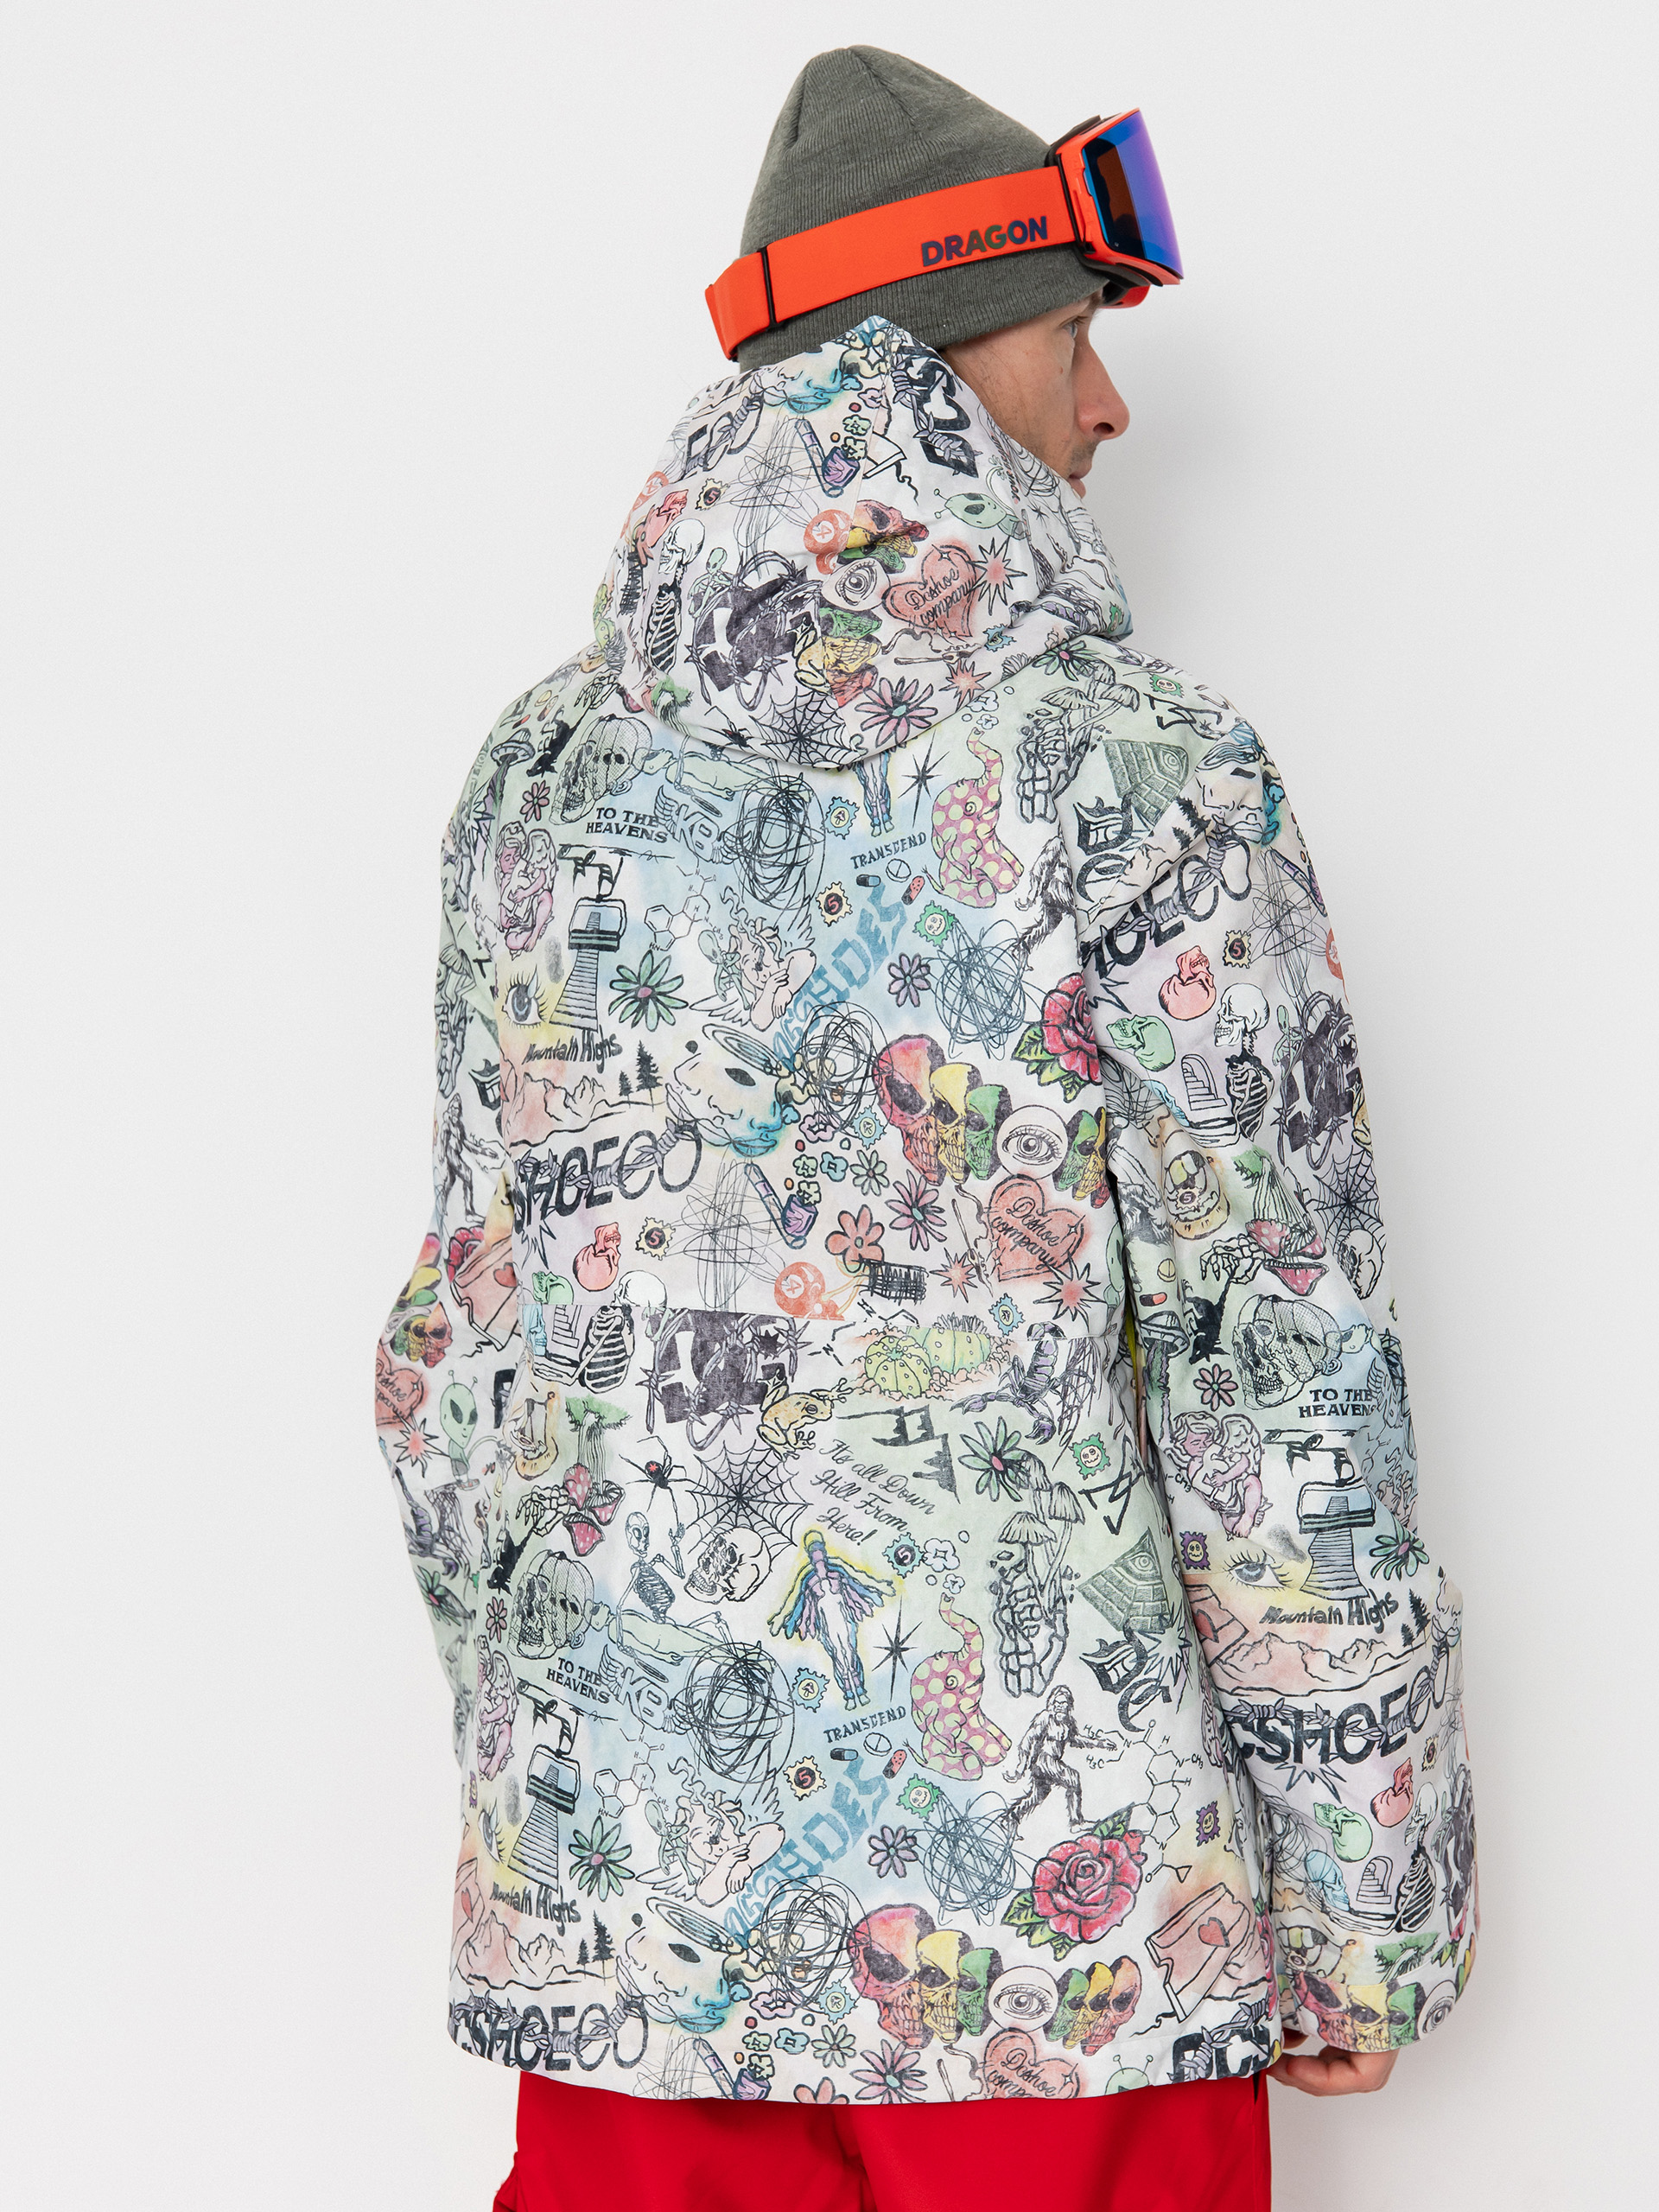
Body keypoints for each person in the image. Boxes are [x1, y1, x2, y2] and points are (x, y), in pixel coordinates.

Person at [374, 45, 1478, 2211]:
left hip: (636, 1963)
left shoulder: (537, 780)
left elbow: (457, 1373)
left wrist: (571, 1821)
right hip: (1076, 1965)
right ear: (942, 360)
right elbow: (1280, 1385)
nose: (1111, 408)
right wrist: (1368, 1908)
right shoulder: (1144, 779)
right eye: (1075, 339)